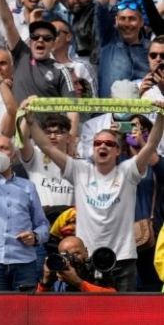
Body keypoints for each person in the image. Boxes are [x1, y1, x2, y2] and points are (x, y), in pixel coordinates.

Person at [26, 97, 164, 292]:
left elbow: (150, 146)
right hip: (85, 258)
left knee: (123, 317)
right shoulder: (79, 170)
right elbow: (47, 146)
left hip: (122, 259)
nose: (103, 146)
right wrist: (30, 121)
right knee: (83, 315)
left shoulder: (128, 171)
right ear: (92, 148)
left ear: (117, 150)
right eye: (98, 142)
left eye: (109, 143)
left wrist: (160, 116)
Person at [0, 134, 50, 291]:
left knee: (25, 312)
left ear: (13, 154)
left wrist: (36, 236)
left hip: (24, 263)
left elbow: (42, 224)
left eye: (4, 148)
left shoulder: (27, 187)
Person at [36, 236, 116, 292]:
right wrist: (45, 283)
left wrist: (78, 283)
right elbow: (37, 306)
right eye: (66, 256)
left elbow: (113, 298)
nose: (72, 259)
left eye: (76, 254)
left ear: (86, 252)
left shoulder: (97, 269)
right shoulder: (57, 273)